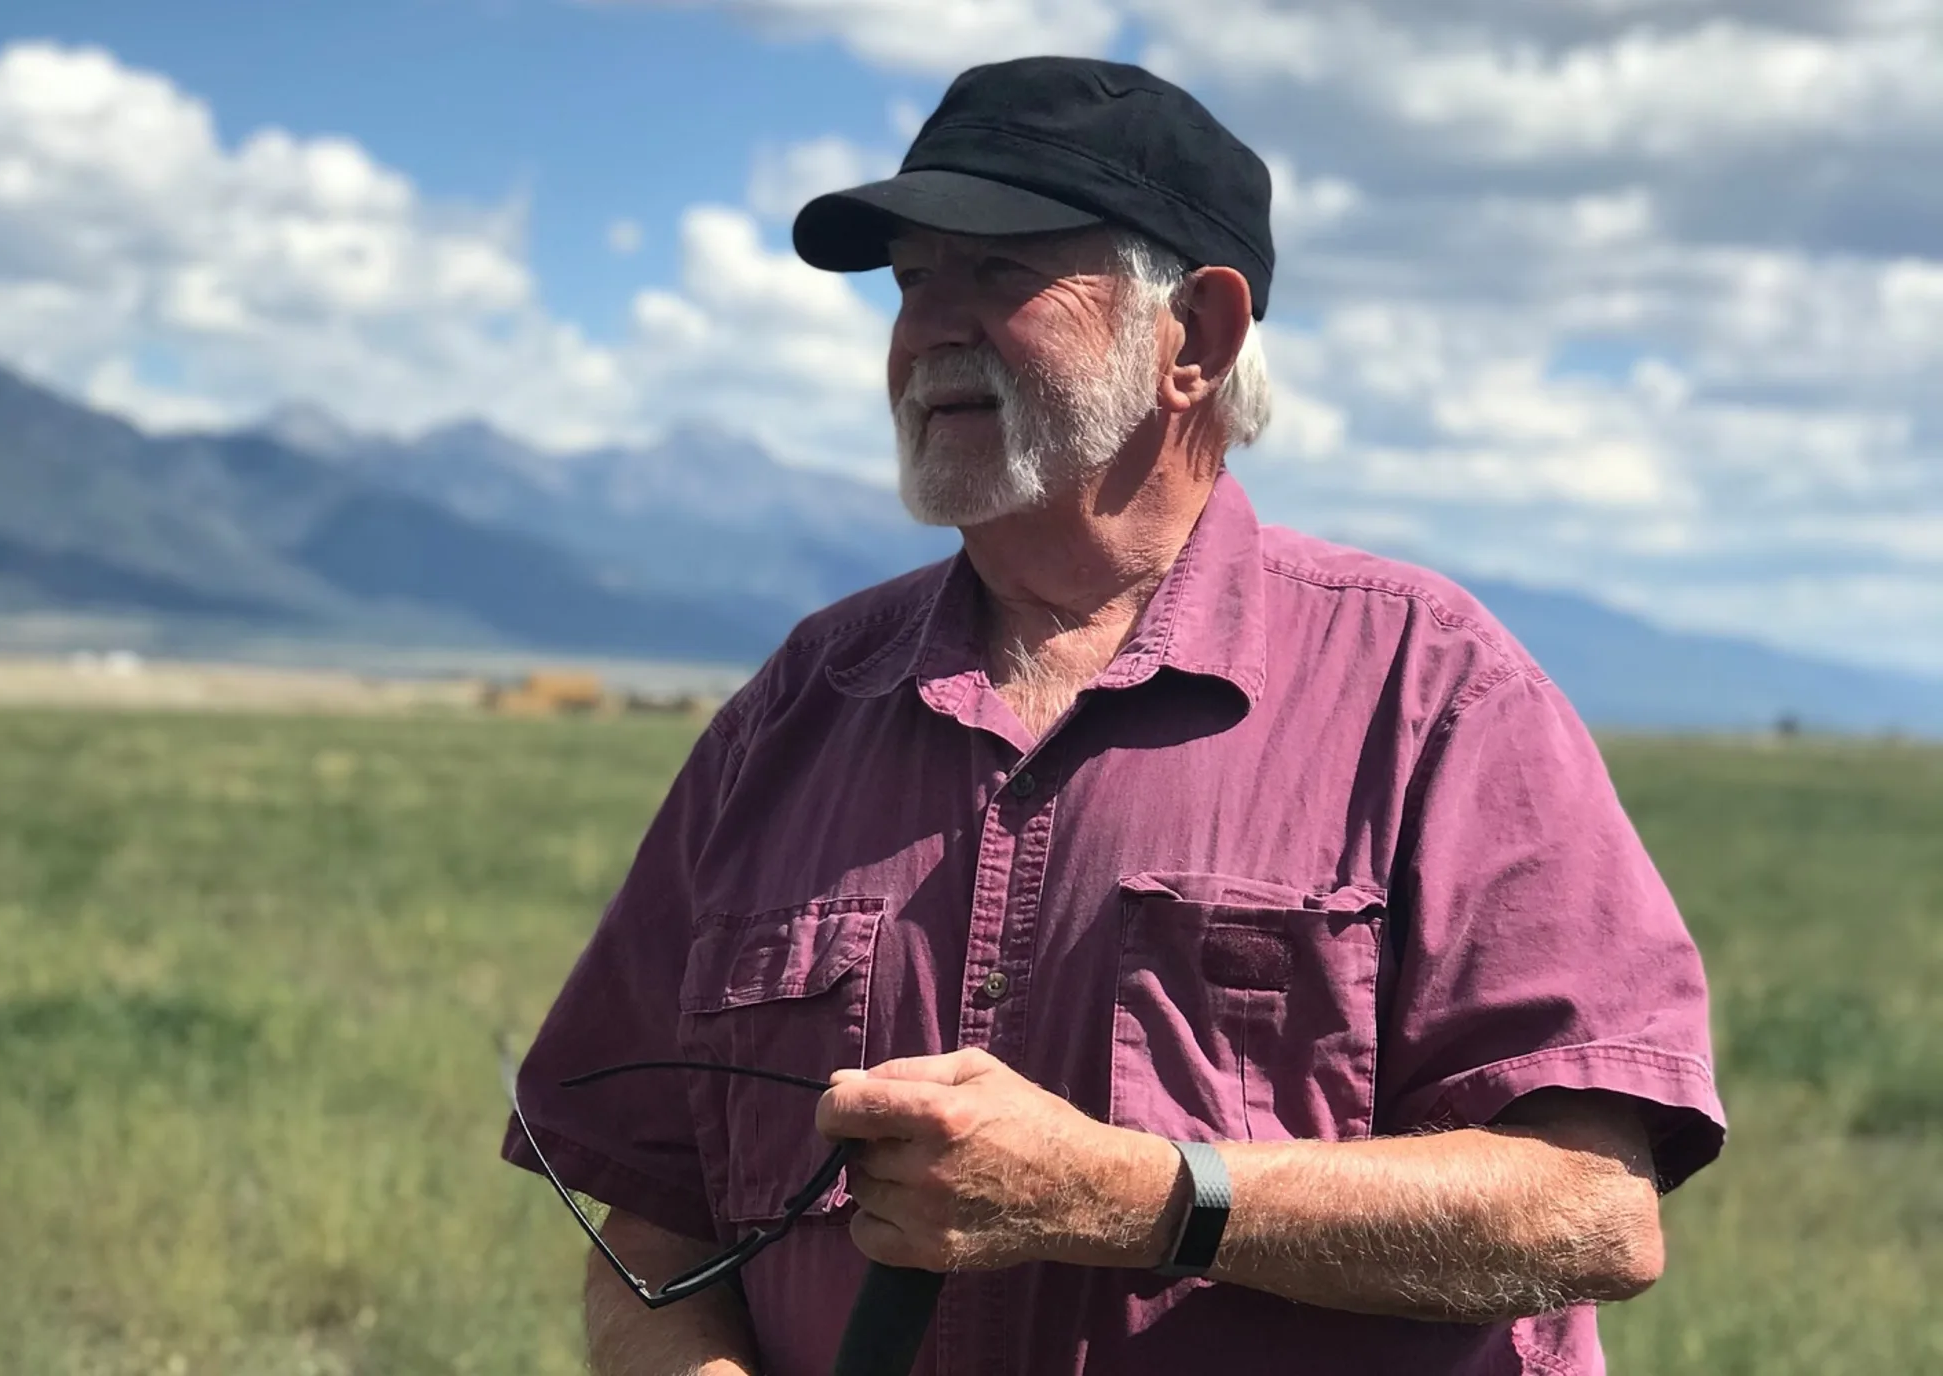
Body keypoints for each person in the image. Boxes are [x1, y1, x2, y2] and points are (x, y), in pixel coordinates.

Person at [504, 55, 1725, 1376]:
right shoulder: (797, 708)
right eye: (913, 281)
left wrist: (1138, 1198)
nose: (929, 330)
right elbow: (650, 1215)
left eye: (1001, 271)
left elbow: (1589, 1214)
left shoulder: (1431, 692)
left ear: (1195, 336)